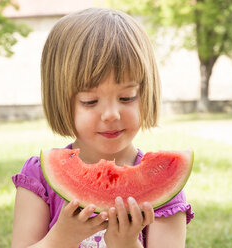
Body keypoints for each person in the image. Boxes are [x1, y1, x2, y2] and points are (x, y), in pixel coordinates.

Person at [11, 8, 194, 248]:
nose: (111, 114)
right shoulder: (39, 178)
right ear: (60, 99)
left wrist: (127, 243)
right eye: (90, 101)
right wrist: (60, 238)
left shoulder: (166, 191)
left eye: (127, 97)